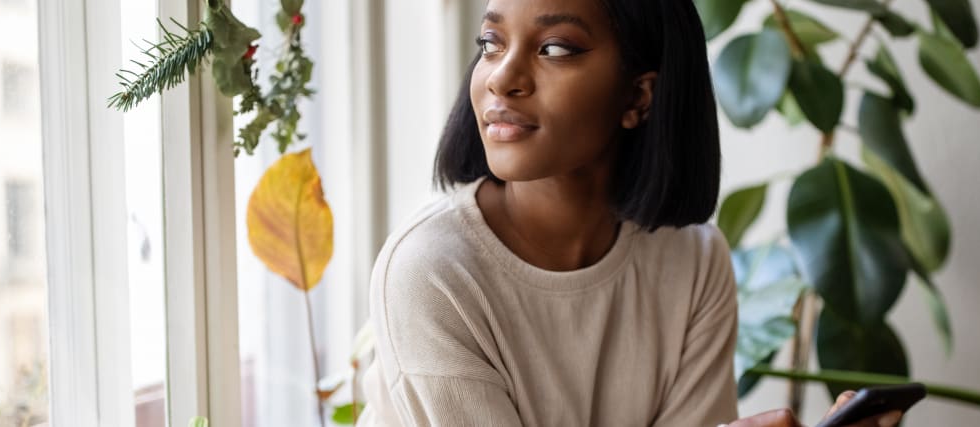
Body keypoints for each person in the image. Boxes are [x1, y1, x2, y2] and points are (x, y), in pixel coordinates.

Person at [356, 0, 906, 425]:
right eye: (491, 42)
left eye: (554, 49)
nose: (502, 76)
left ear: (639, 97)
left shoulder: (693, 260)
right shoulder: (430, 271)